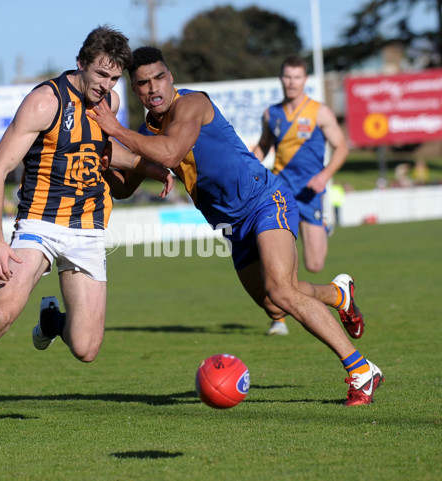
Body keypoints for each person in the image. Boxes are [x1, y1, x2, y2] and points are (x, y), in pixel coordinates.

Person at [0, 25, 171, 447]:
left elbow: (100, 149)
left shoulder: (109, 102)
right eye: (100, 75)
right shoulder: (45, 100)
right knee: (0, 315)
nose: (107, 86)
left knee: (86, 348)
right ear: (81, 64)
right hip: (39, 224)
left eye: (114, 79)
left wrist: (148, 167)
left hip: (88, 228)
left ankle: (51, 321)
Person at [89, 46, 380, 409]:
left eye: (159, 77)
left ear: (171, 77)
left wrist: (115, 130)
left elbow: (169, 154)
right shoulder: (147, 130)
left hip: (263, 201)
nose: (154, 88)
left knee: (282, 290)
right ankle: (339, 296)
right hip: (231, 225)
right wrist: (98, 158)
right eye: (144, 83)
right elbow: (125, 188)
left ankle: (361, 370)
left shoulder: (191, 104)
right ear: (135, 90)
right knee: (276, 305)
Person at [253, 56, 349, 279]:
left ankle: (323, 227)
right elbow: (263, 146)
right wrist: (248, 167)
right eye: (287, 76)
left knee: (315, 265)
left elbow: (342, 147)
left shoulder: (319, 112)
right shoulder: (271, 114)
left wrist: (324, 177)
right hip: (280, 190)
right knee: (280, 266)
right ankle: (279, 310)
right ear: (281, 78)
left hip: (309, 191)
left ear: (305, 79)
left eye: (297, 77)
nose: (292, 82)